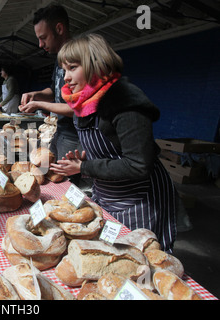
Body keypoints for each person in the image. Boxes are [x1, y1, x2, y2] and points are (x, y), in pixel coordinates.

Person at [50, 34, 177, 252]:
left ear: (94, 64)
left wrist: (84, 167)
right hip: (109, 196)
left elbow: (138, 164)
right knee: (112, 255)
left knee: (142, 260)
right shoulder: (86, 101)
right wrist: (87, 158)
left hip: (138, 201)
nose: (66, 78)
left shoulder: (124, 100)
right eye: (64, 70)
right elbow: (111, 150)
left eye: (72, 68)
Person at [18, 4, 81, 183]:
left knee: (68, 186)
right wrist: (36, 94)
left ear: (59, 29)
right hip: (61, 131)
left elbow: (78, 107)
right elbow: (54, 91)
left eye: (43, 37)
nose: (40, 44)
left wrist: (39, 104)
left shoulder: (79, 57)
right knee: (50, 179)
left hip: (76, 135)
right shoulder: (60, 58)